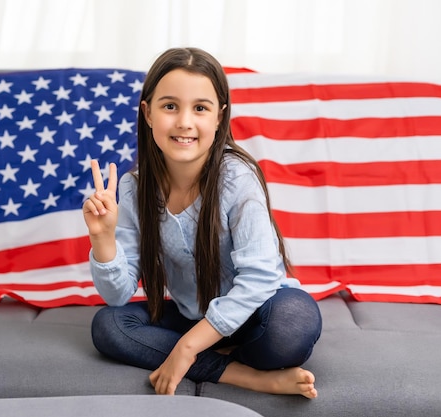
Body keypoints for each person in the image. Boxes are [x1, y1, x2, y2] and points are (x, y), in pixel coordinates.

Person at [82, 47, 322, 398]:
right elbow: (117, 295)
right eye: (169, 106)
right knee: (109, 326)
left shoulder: (237, 178)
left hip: (255, 314)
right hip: (192, 316)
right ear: (147, 113)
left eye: (200, 108)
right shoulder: (135, 188)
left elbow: (259, 280)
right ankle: (246, 375)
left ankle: (205, 353)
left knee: (292, 324)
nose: (184, 122)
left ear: (219, 117)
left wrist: (186, 348)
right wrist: (103, 240)